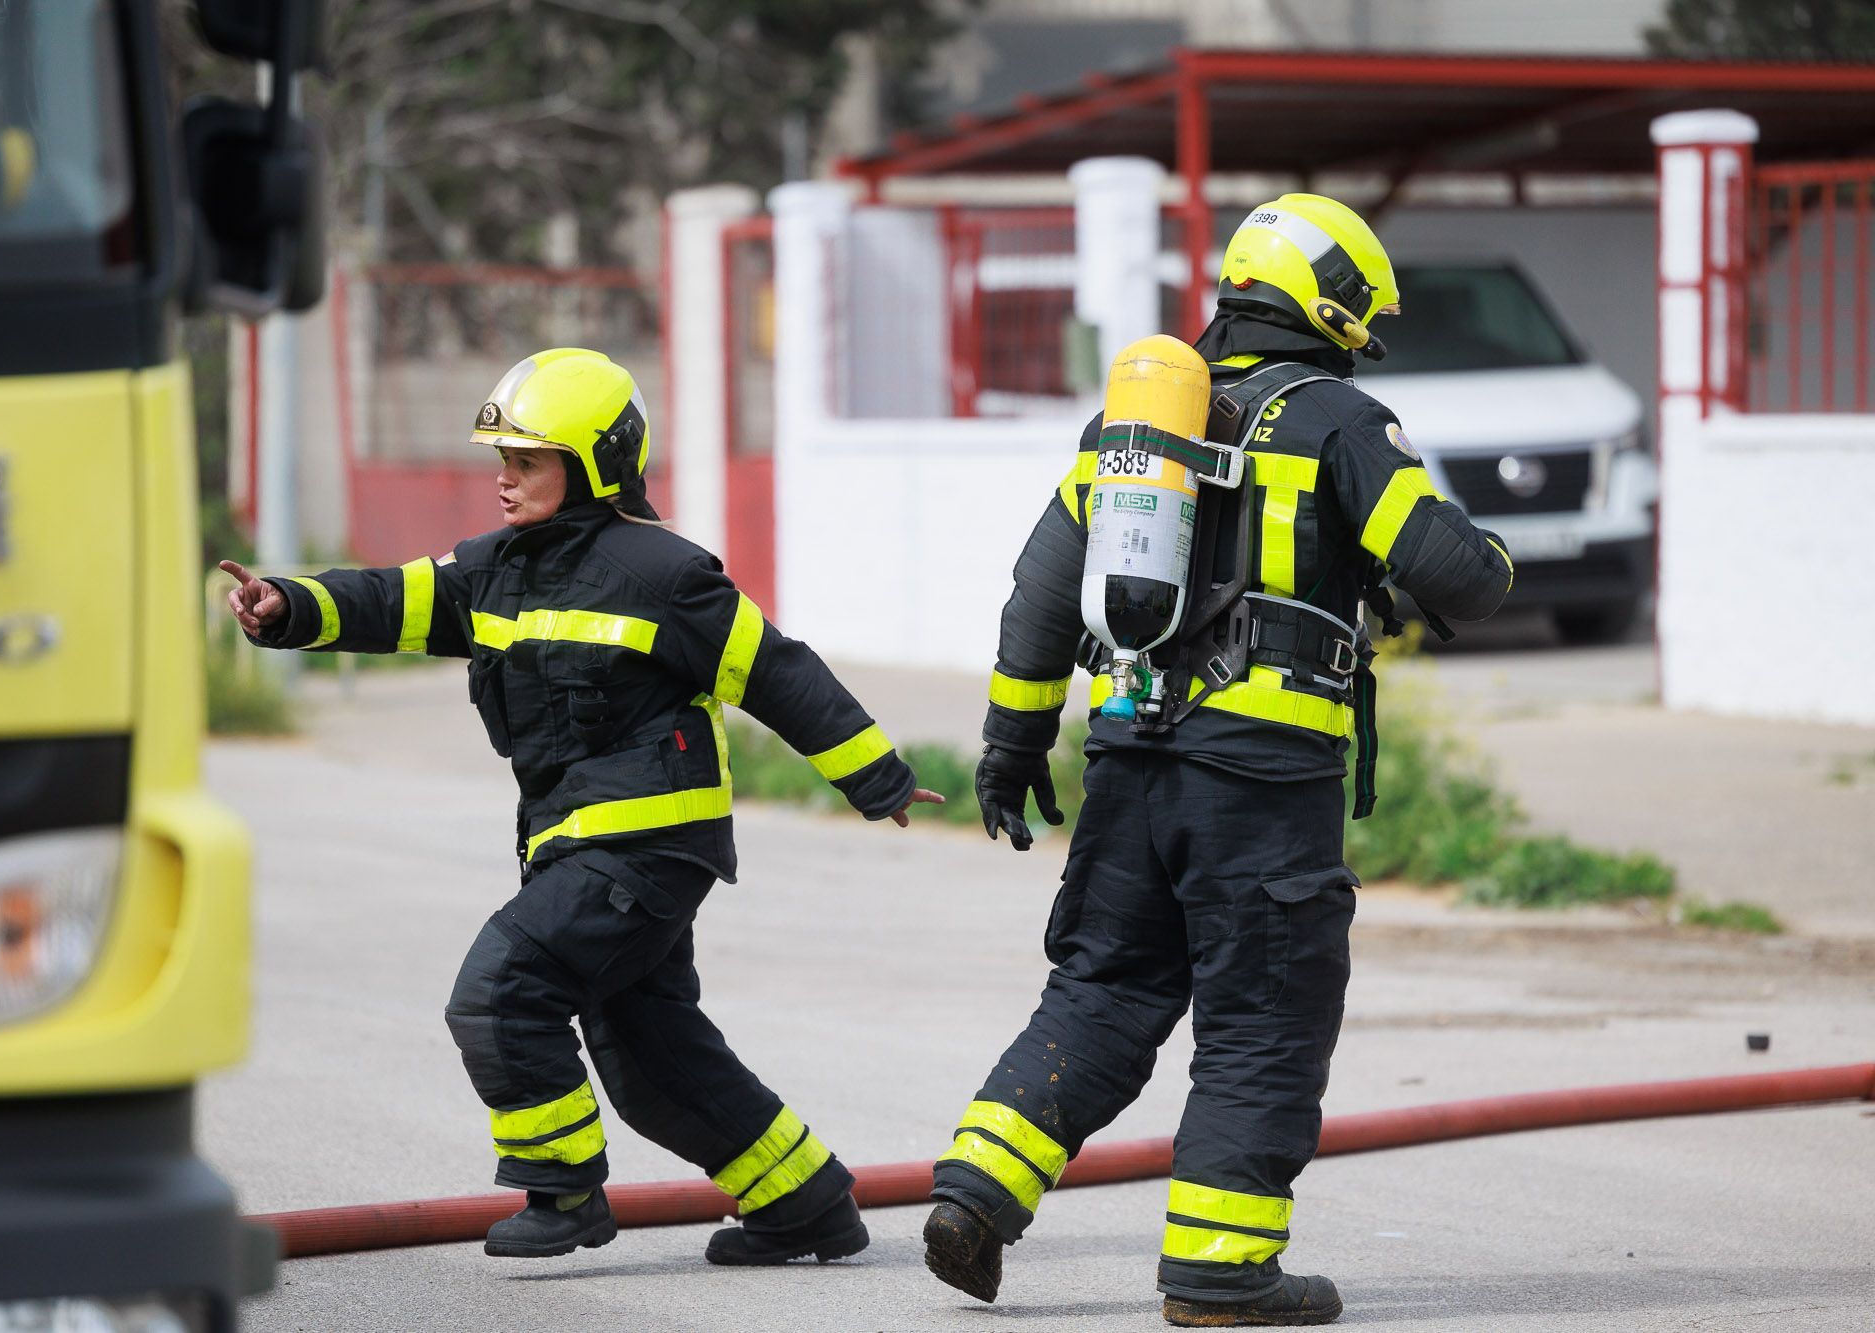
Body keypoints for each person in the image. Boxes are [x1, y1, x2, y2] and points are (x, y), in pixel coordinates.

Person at [920, 196, 1513, 1327]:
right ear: (1328, 305)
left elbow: (1039, 594)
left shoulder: (1130, 433)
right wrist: (1483, 561)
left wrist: (1009, 742)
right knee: (1262, 1014)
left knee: (1100, 987)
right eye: (1355, 318)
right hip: (1262, 777)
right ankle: (1220, 1270)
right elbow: (1455, 572)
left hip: (1130, 755)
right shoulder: (1338, 418)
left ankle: (976, 1192)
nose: (1357, 339)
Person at [223, 347, 941, 1266]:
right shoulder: (496, 571)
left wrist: (876, 775)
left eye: (527, 461)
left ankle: (562, 1192)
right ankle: (805, 1202)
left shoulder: (663, 572)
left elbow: (778, 671)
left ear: (596, 463)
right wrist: (289, 604)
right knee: (650, 1056)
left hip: (647, 847)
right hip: (577, 847)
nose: (505, 480)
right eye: (503, 461)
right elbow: (393, 597)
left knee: (501, 988)